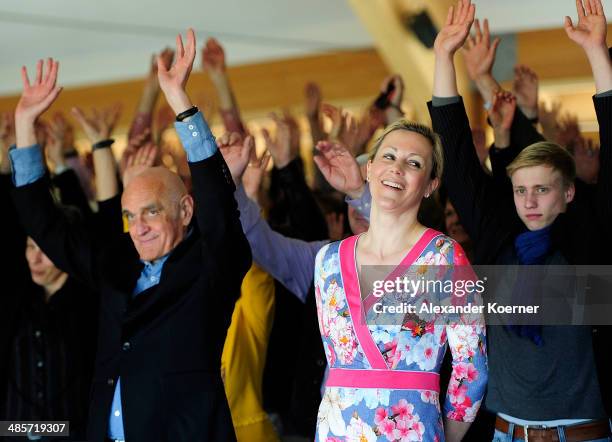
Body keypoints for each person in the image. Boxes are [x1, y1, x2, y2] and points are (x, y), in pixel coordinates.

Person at [9, 28, 251, 442]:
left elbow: (218, 211)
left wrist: (180, 100)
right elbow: (44, 226)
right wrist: (24, 123)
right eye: (129, 214)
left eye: (151, 212)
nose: (137, 226)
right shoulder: (115, 263)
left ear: (185, 210)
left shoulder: (210, 265)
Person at [426, 0, 612, 440]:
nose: (528, 201)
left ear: (568, 193)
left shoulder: (590, 240)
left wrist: (596, 54)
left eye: (542, 189)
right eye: (520, 189)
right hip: (507, 433)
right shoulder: (500, 239)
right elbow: (456, 162)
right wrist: (442, 58)